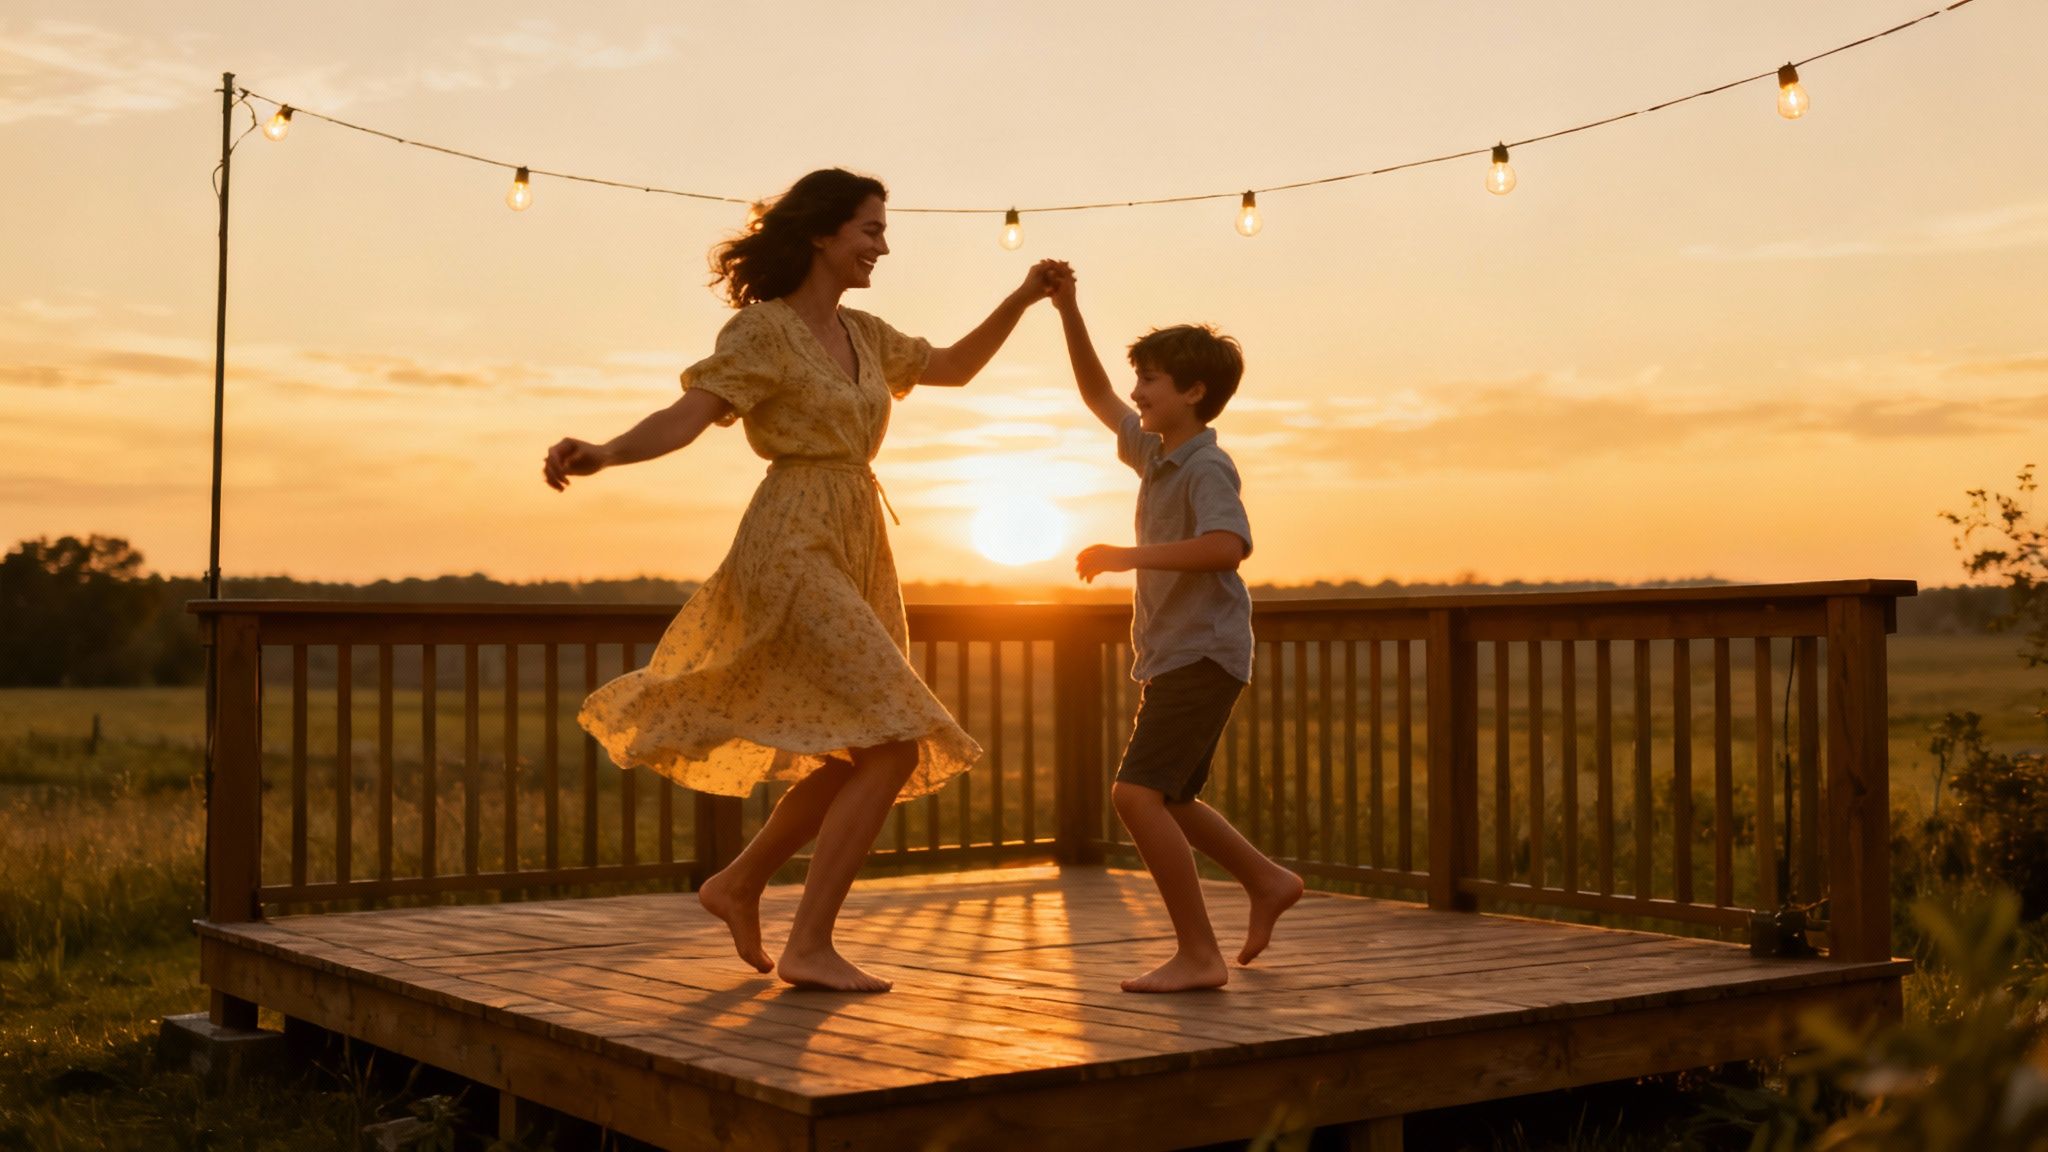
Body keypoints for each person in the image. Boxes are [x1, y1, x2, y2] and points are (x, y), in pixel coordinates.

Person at [543, 168, 1061, 992]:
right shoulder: (762, 334)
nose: (882, 245)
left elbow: (957, 366)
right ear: (822, 234)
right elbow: (689, 417)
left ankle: (739, 884)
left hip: (858, 541)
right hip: (792, 539)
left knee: (858, 750)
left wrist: (1025, 297)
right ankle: (811, 942)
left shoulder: (866, 334)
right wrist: (606, 452)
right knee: (894, 740)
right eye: (870, 229)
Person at [1049, 267, 1304, 993]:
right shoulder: (1157, 455)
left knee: (1135, 796)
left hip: (1204, 652)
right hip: (1175, 655)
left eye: (1152, 381)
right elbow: (1097, 395)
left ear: (1192, 392)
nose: (1137, 394)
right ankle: (1266, 880)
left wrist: (1125, 555)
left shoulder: (1205, 467)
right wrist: (1068, 308)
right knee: (1174, 797)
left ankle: (1198, 954)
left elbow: (1227, 547)